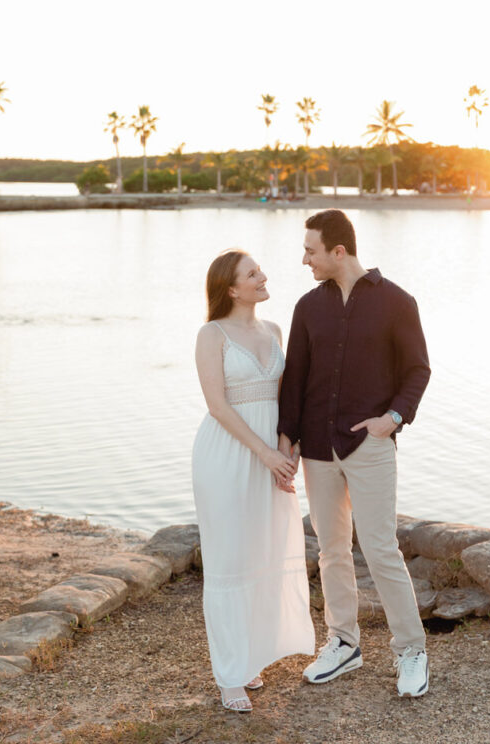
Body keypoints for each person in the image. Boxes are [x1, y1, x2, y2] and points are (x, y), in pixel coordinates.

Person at [278, 209, 431, 697]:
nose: (305, 260)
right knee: (331, 550)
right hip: (317, 449)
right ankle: (344, 643)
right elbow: (295, 377)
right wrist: (287, 438)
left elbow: (418, 370)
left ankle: (411, 650)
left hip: (371, 445)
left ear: (338, 251)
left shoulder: (397, 302)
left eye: (311, 251)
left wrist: (394, 418)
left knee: (381, 548)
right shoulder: (307, 307)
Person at [192, 250, 315, 712]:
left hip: (271, 456)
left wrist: (286, 450)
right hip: (227, 456)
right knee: (229, 559)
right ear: (231, 288)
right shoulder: (212, 334)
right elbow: (217, 406)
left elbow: (284, 400)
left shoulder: (274, 331)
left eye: (260, 269)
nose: (263, 276)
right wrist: (262, 453)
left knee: (265, 552)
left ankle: (250, 658)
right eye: (252, 273)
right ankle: (229, 675)